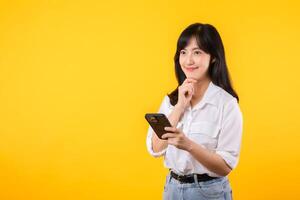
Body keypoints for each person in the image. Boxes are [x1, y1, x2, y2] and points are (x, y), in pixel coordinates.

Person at [146, 23, 243, 200]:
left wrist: (188, 145)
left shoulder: (227, 104)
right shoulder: (171, 101)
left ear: (213, 57)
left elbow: (226, 165)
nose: (188, 60)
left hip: (209, 192)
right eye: (183, 52)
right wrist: (180, 106)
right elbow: (155, 148)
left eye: (197, 52)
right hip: (172, 189)